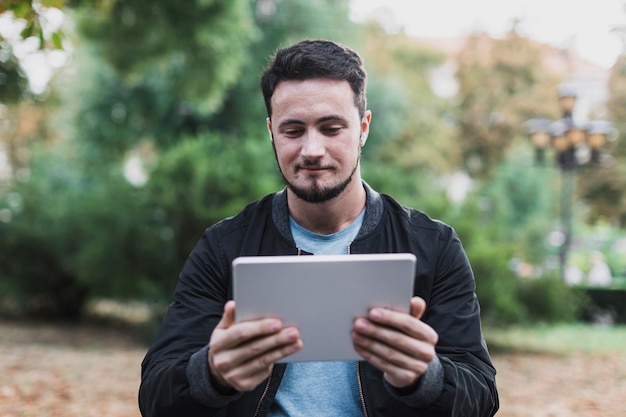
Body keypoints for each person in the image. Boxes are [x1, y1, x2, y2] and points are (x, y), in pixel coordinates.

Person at [139, 39, 499, 417]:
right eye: (293, 130)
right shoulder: (223, 247)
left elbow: (482, 395)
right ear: (271, 132)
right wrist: (210, 373)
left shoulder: (433, 246)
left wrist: (425, 378)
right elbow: (155, 395)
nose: (312, 149)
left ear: (363, 128)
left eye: (331, 128)